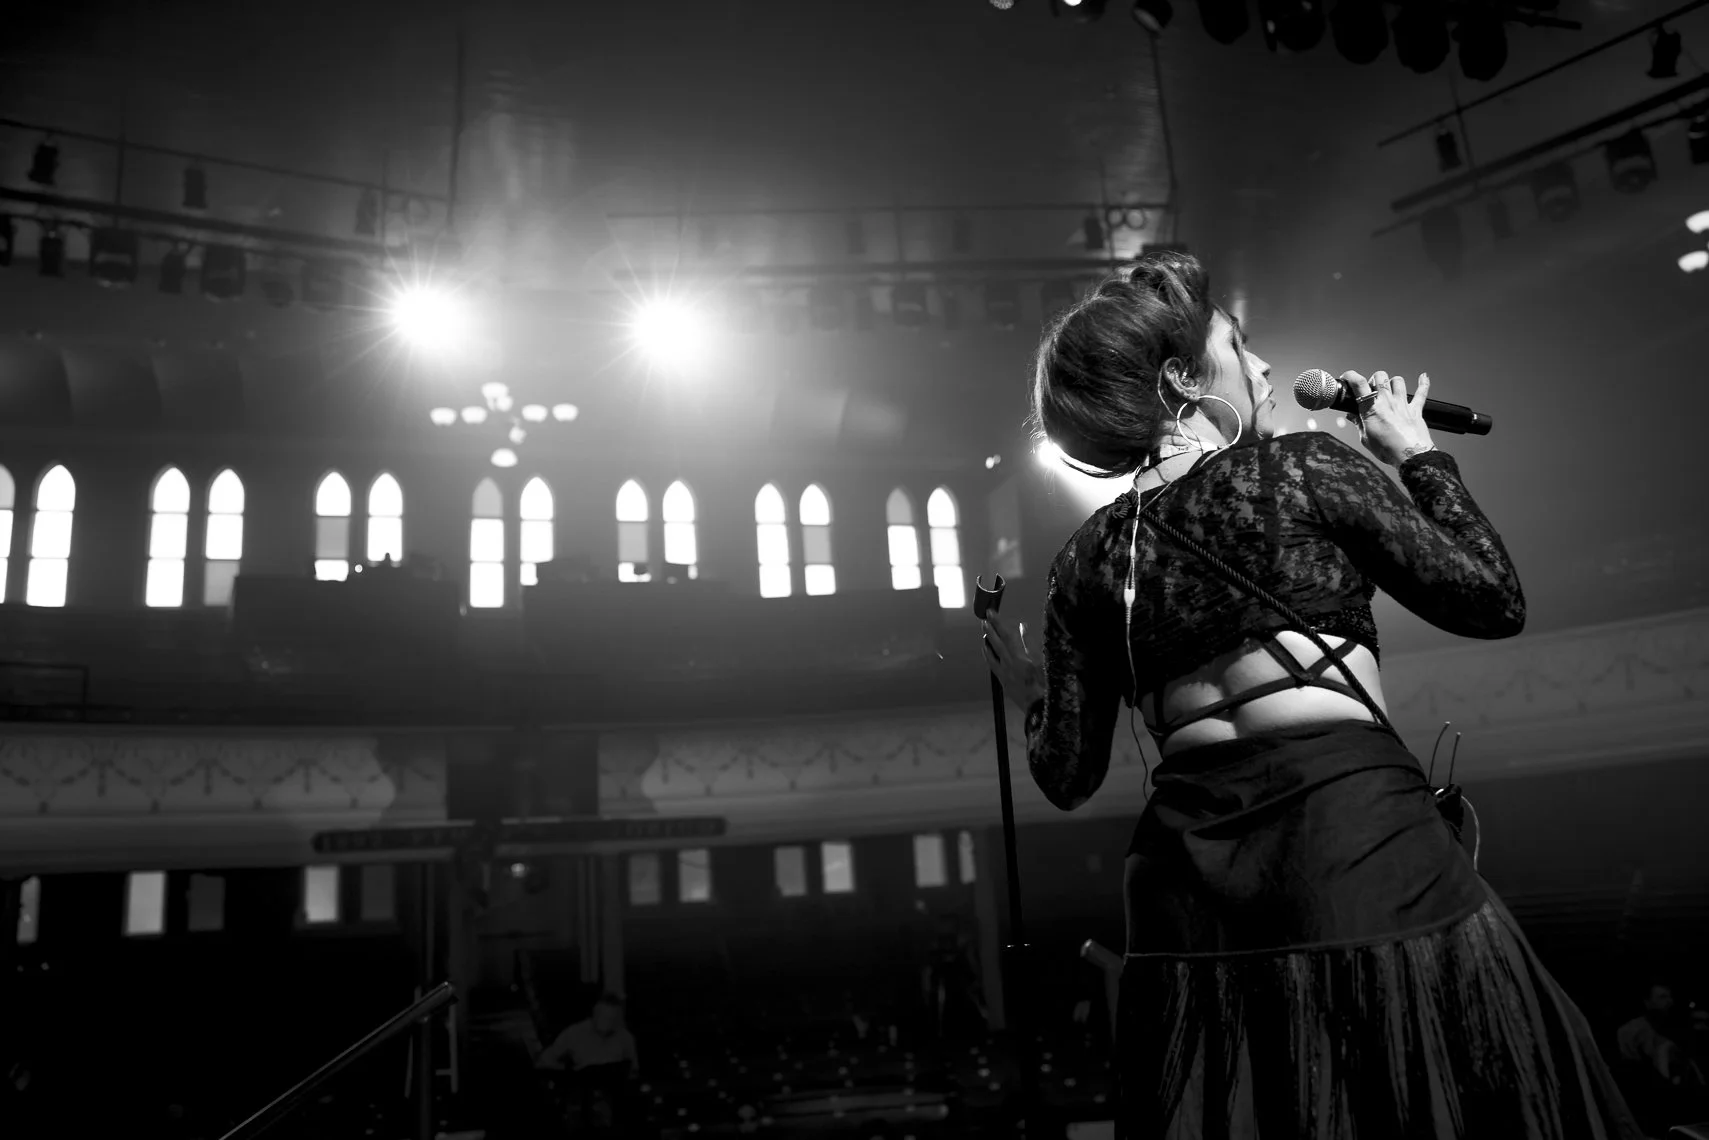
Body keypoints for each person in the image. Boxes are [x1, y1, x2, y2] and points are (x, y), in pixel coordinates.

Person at [980, 250, 1642, 1137]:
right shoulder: (1299, 467)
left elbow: (1066, 776)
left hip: (1185, 896)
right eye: (1236, 345)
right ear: (1181, 380)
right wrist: (1420, 459)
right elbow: (1493, 602)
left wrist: (1034, 695)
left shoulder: (1084, 559)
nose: (1261, 365)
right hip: (1346, 839)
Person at [535, 992, 641, 1134]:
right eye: (604, 1017)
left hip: (613, 1098)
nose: (608, 1022)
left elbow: (634, 1071)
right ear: (594, 1014)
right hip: (581, 1096)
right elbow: (544, 1061)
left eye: (612, 1019)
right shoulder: (574, 1033)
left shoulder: (625, 1038)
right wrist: (567, 1072)